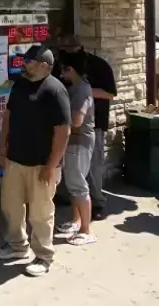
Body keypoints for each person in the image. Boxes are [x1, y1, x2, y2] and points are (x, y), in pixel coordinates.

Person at [0, 45, 71, 277]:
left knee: (40, 213)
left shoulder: (55, 90)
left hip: (41, 165)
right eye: (25, 60)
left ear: (44, 66)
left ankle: (44, 256)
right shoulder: (20, 85)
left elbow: (63, 132)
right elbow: (8, 115)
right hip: (16, 160)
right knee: (11, 206)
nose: (25, 64)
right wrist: (3, 146)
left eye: (30, 61)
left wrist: (51, 165)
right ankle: (17, 246)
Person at [57, 34, 117, 220]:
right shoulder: (62, 65)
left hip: (93, 123)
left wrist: (83, 91)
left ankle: (97, 202)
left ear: (80, 47)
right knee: (71, 167)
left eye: (70, 48)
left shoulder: (98, 65)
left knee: (93, 166)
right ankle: (72, 201)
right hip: (68, 125)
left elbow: (110, 93)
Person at [56, 51, 97, 246]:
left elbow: (77, 121)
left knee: (79, 185)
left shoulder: (81, 91)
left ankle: (86, 230)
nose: (61, 74)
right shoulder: (76, 88)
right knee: (73, 184)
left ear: (70, 70)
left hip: (79, 143)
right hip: (73, 143)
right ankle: (76, 220)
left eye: (63, 70)